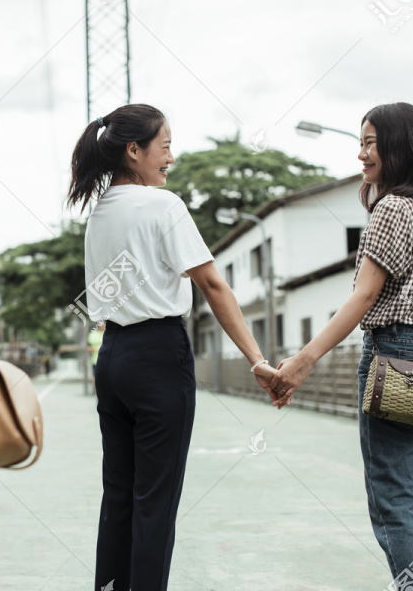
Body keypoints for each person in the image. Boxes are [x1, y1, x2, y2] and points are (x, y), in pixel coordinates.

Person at [66, 104, 279, 591]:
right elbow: (214, 286)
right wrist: (258, 361)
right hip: (158, 355)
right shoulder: (163, 207)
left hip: (113, 355)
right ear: (134, 150)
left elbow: (101, 300)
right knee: (155, 501)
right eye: (165, 147)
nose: (171, 158)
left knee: (119, 493)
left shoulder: (99, 214)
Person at [271, 103, 413, 589]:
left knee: (394, 498)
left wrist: (303, 360)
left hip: (397, 357)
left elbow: (364, 295)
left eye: (370, 142)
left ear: (397, 145)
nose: (361, 154)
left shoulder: (393, 208)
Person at [87, 321, 105, 393]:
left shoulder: (109, 334)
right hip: (96, 360)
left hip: (107, 360)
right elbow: (88, 347)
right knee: (96, 378)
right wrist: (96, 349)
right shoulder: (92, 335)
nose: (102, 326)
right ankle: (97, 392)